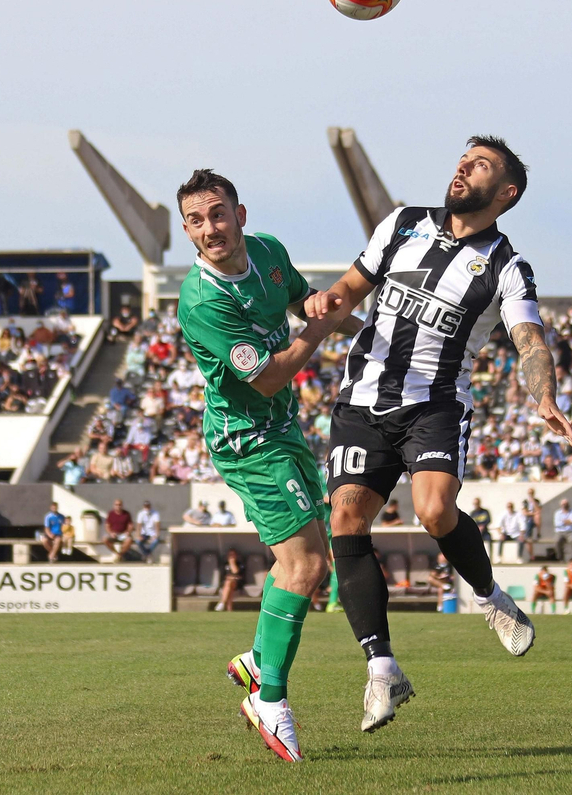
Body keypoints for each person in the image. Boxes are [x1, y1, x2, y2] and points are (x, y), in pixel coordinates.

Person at [302, 137, 572, 737]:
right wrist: (324, 300)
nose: (463, 168)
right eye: (463, 159)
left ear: (506, 193)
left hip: (435, 405)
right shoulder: (402, 223)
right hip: (362, 400)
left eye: (480, 165)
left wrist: (544, 397)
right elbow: (350, 288)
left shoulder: (507, 266)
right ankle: (382, 669)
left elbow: (529, 340)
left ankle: (489, 597)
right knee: (346, 518)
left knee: (432, 511)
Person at [174, 168, 365, 760]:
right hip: (247, 439)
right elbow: (269, 377)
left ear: (240, 215)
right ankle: (270, 700)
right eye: (195, 221)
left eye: (218, 214)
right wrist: (323, 327)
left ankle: (258, 662)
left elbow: (303, 301)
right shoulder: (202, 300)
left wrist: (369, 335)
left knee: (309, 563)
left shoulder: (267, 251)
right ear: (187, 231)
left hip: (283, 428)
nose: (210, 228)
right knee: (305, 566)